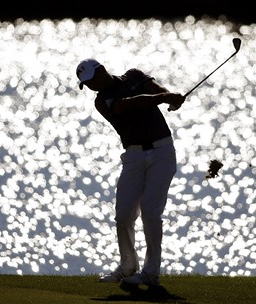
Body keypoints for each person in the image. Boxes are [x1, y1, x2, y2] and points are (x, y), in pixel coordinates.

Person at [76, 58, 185, 287]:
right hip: (133, 156)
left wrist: (171, 98)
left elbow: (156, 90)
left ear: (102, 70)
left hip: (162, 151)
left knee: (150, 212)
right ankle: (127, 267)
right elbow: (132, 104)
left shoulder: (134, 75)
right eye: (87, 85)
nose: (91, 86)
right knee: (124, 214)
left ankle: (150, 273)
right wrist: (165, 98)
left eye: (92, 80)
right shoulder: (103, 102)